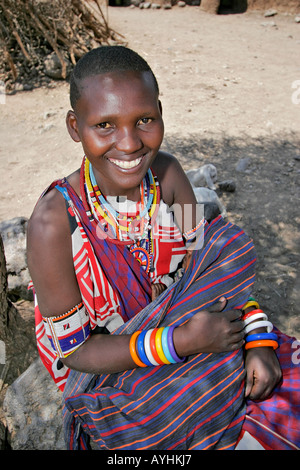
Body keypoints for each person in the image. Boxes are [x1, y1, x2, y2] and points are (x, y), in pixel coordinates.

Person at [27, 46, 299, 450]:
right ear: (74, 126)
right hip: (117, 381)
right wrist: (179, 343)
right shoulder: (53, 225)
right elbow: (78, 353)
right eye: (104, 125)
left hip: (196, 336)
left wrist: (258, 340)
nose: (129, 143)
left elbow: (212, 275)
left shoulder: (167, 178)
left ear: (160, 112)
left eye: (144, 120)